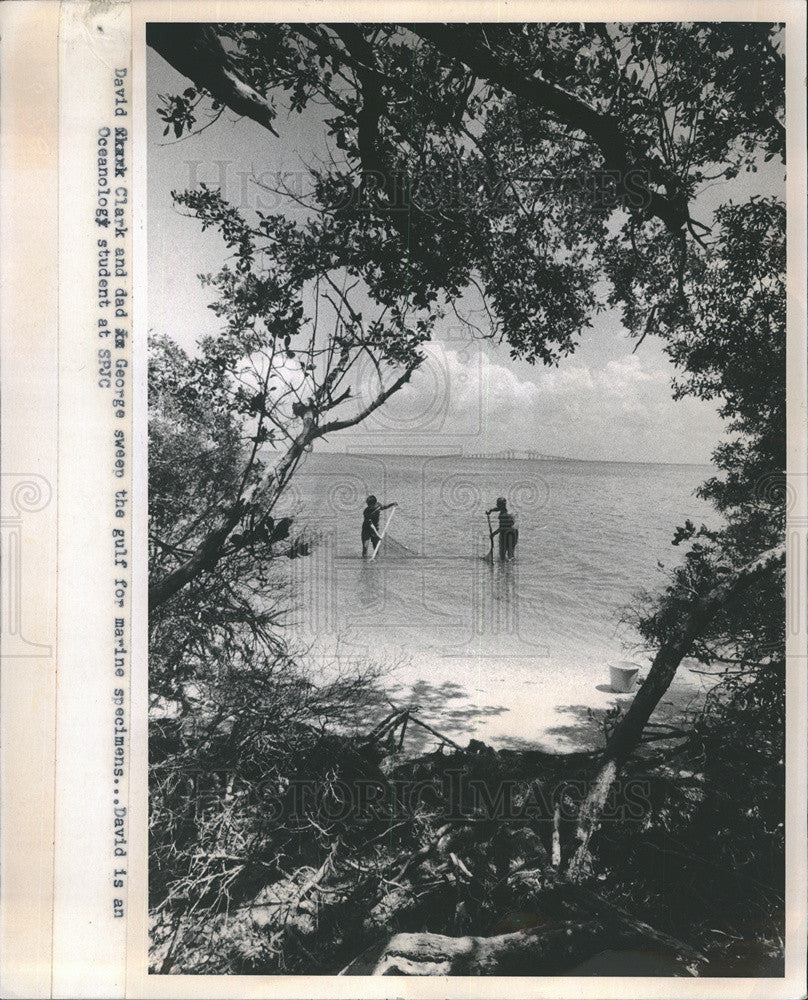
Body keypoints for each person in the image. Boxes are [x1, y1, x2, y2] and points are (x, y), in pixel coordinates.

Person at [487, 497, 518, 561]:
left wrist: (493, 534)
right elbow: (499, 509)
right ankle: (509, 568)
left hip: (506, 533)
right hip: (514, 532)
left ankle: (505, 567)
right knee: (511, 553)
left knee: (503, 555)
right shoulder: (507, 511)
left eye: (498, 504)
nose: (497, 506)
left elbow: (501, 528)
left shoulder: (503, 515)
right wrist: (491, 510)